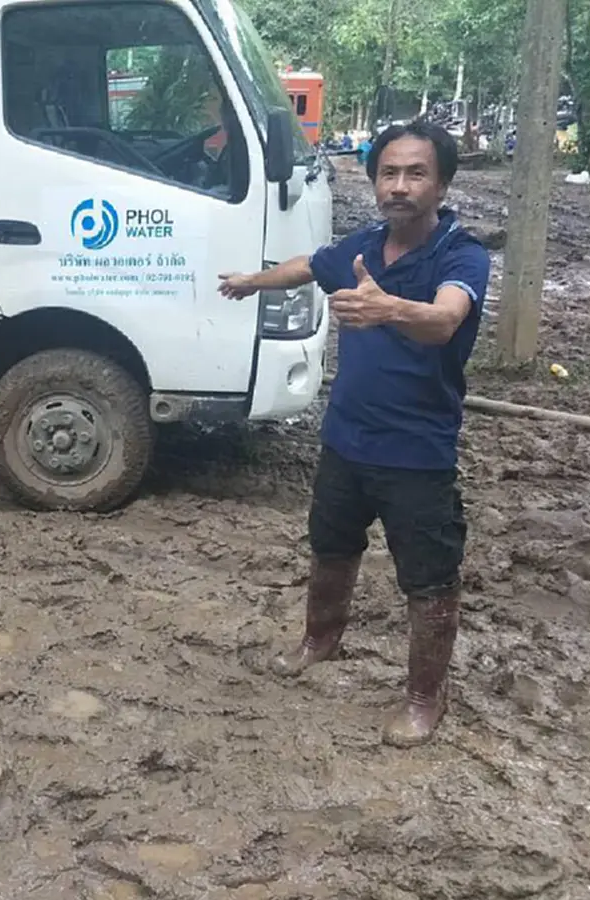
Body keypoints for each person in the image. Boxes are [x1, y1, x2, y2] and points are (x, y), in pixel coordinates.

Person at [216, 120, 490, 748]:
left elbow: (446, 319)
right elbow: (310, 265)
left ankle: (425, 698)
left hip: (416, 451)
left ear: (442, 183)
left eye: (415, 173)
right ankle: (319, 640)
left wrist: (387, 308)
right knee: (331, 546)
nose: (400, 186)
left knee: (429, 576)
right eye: (388, 173)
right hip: (345, 441)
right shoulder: (363, 246)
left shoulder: (461, 254)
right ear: (373, 182)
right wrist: (251, 281)